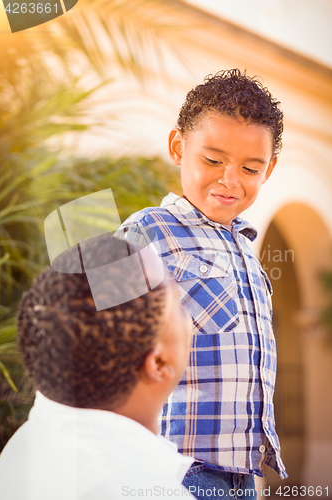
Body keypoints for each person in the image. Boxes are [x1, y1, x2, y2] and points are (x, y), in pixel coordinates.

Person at [119, 69, 287, 499]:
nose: (230, 179)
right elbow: (101, 339)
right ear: (179, 147)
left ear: (268, 169)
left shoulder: (247, 251)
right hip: (179, 466)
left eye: (250, 167)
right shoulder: (146, 230)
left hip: (243, 471)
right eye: (213, 160)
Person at [0, 233, 194, 500]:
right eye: (181, 308)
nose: (190, 318)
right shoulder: (146, 489)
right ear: (159, 363)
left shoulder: (25, 446)